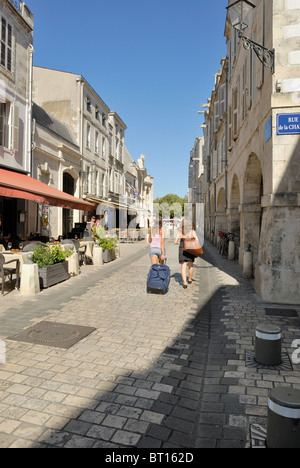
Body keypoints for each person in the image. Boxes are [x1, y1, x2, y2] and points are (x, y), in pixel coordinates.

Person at [174, 218, 198, 289]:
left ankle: (185, 282)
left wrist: (180, 242)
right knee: (190, 264)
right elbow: (197, 240)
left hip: (182, 248)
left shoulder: (180, 231)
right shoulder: (192, 231)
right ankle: (190, 279)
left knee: (183, 266)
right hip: (190, 248)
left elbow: (175, 242)